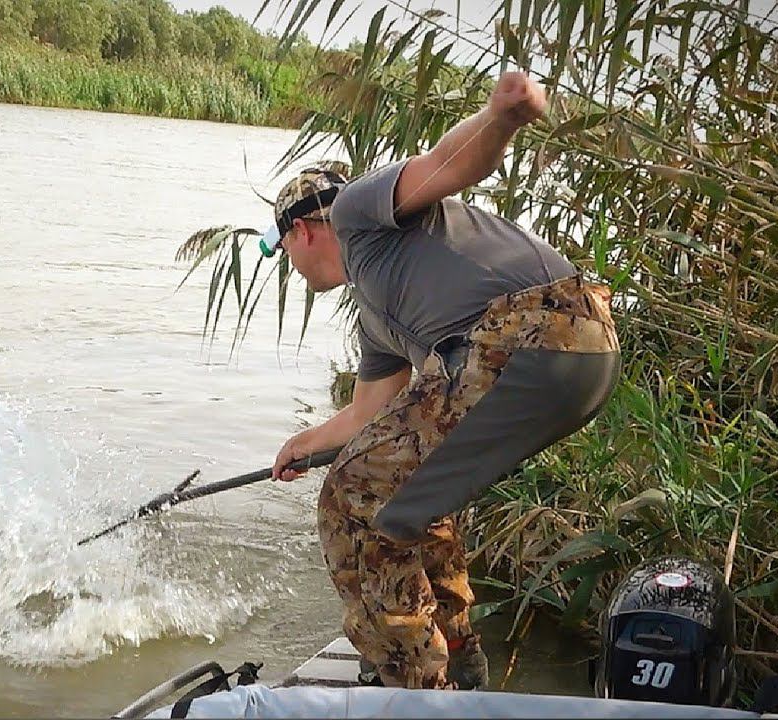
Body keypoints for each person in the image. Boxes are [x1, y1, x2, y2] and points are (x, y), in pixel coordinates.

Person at [262, 71, 621, 690]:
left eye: (284, 248)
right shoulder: (380, 318)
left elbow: (445, 165)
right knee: (410, 498)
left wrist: (502, 116)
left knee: (353, 501)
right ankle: (455, 657)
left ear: (301, 230)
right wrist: (307, 443)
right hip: (583, 352)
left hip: (532, 329)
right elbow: (370, 416)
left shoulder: (354, 212)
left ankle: (411, 684)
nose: (291, 266)